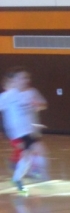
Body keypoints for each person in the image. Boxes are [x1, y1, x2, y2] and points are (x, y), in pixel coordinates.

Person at [0, 67, 49, 195]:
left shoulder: (30, 93)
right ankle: (23, 177)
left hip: (30, 129)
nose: (25, 80)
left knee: (34, 153)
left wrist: (37, 105)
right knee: (30, 154)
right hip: (17, 133)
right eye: (21, 78)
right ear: (14, 80)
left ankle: (26, 175)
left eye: (26, 78)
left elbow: (42, 105)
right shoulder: (8, 95)